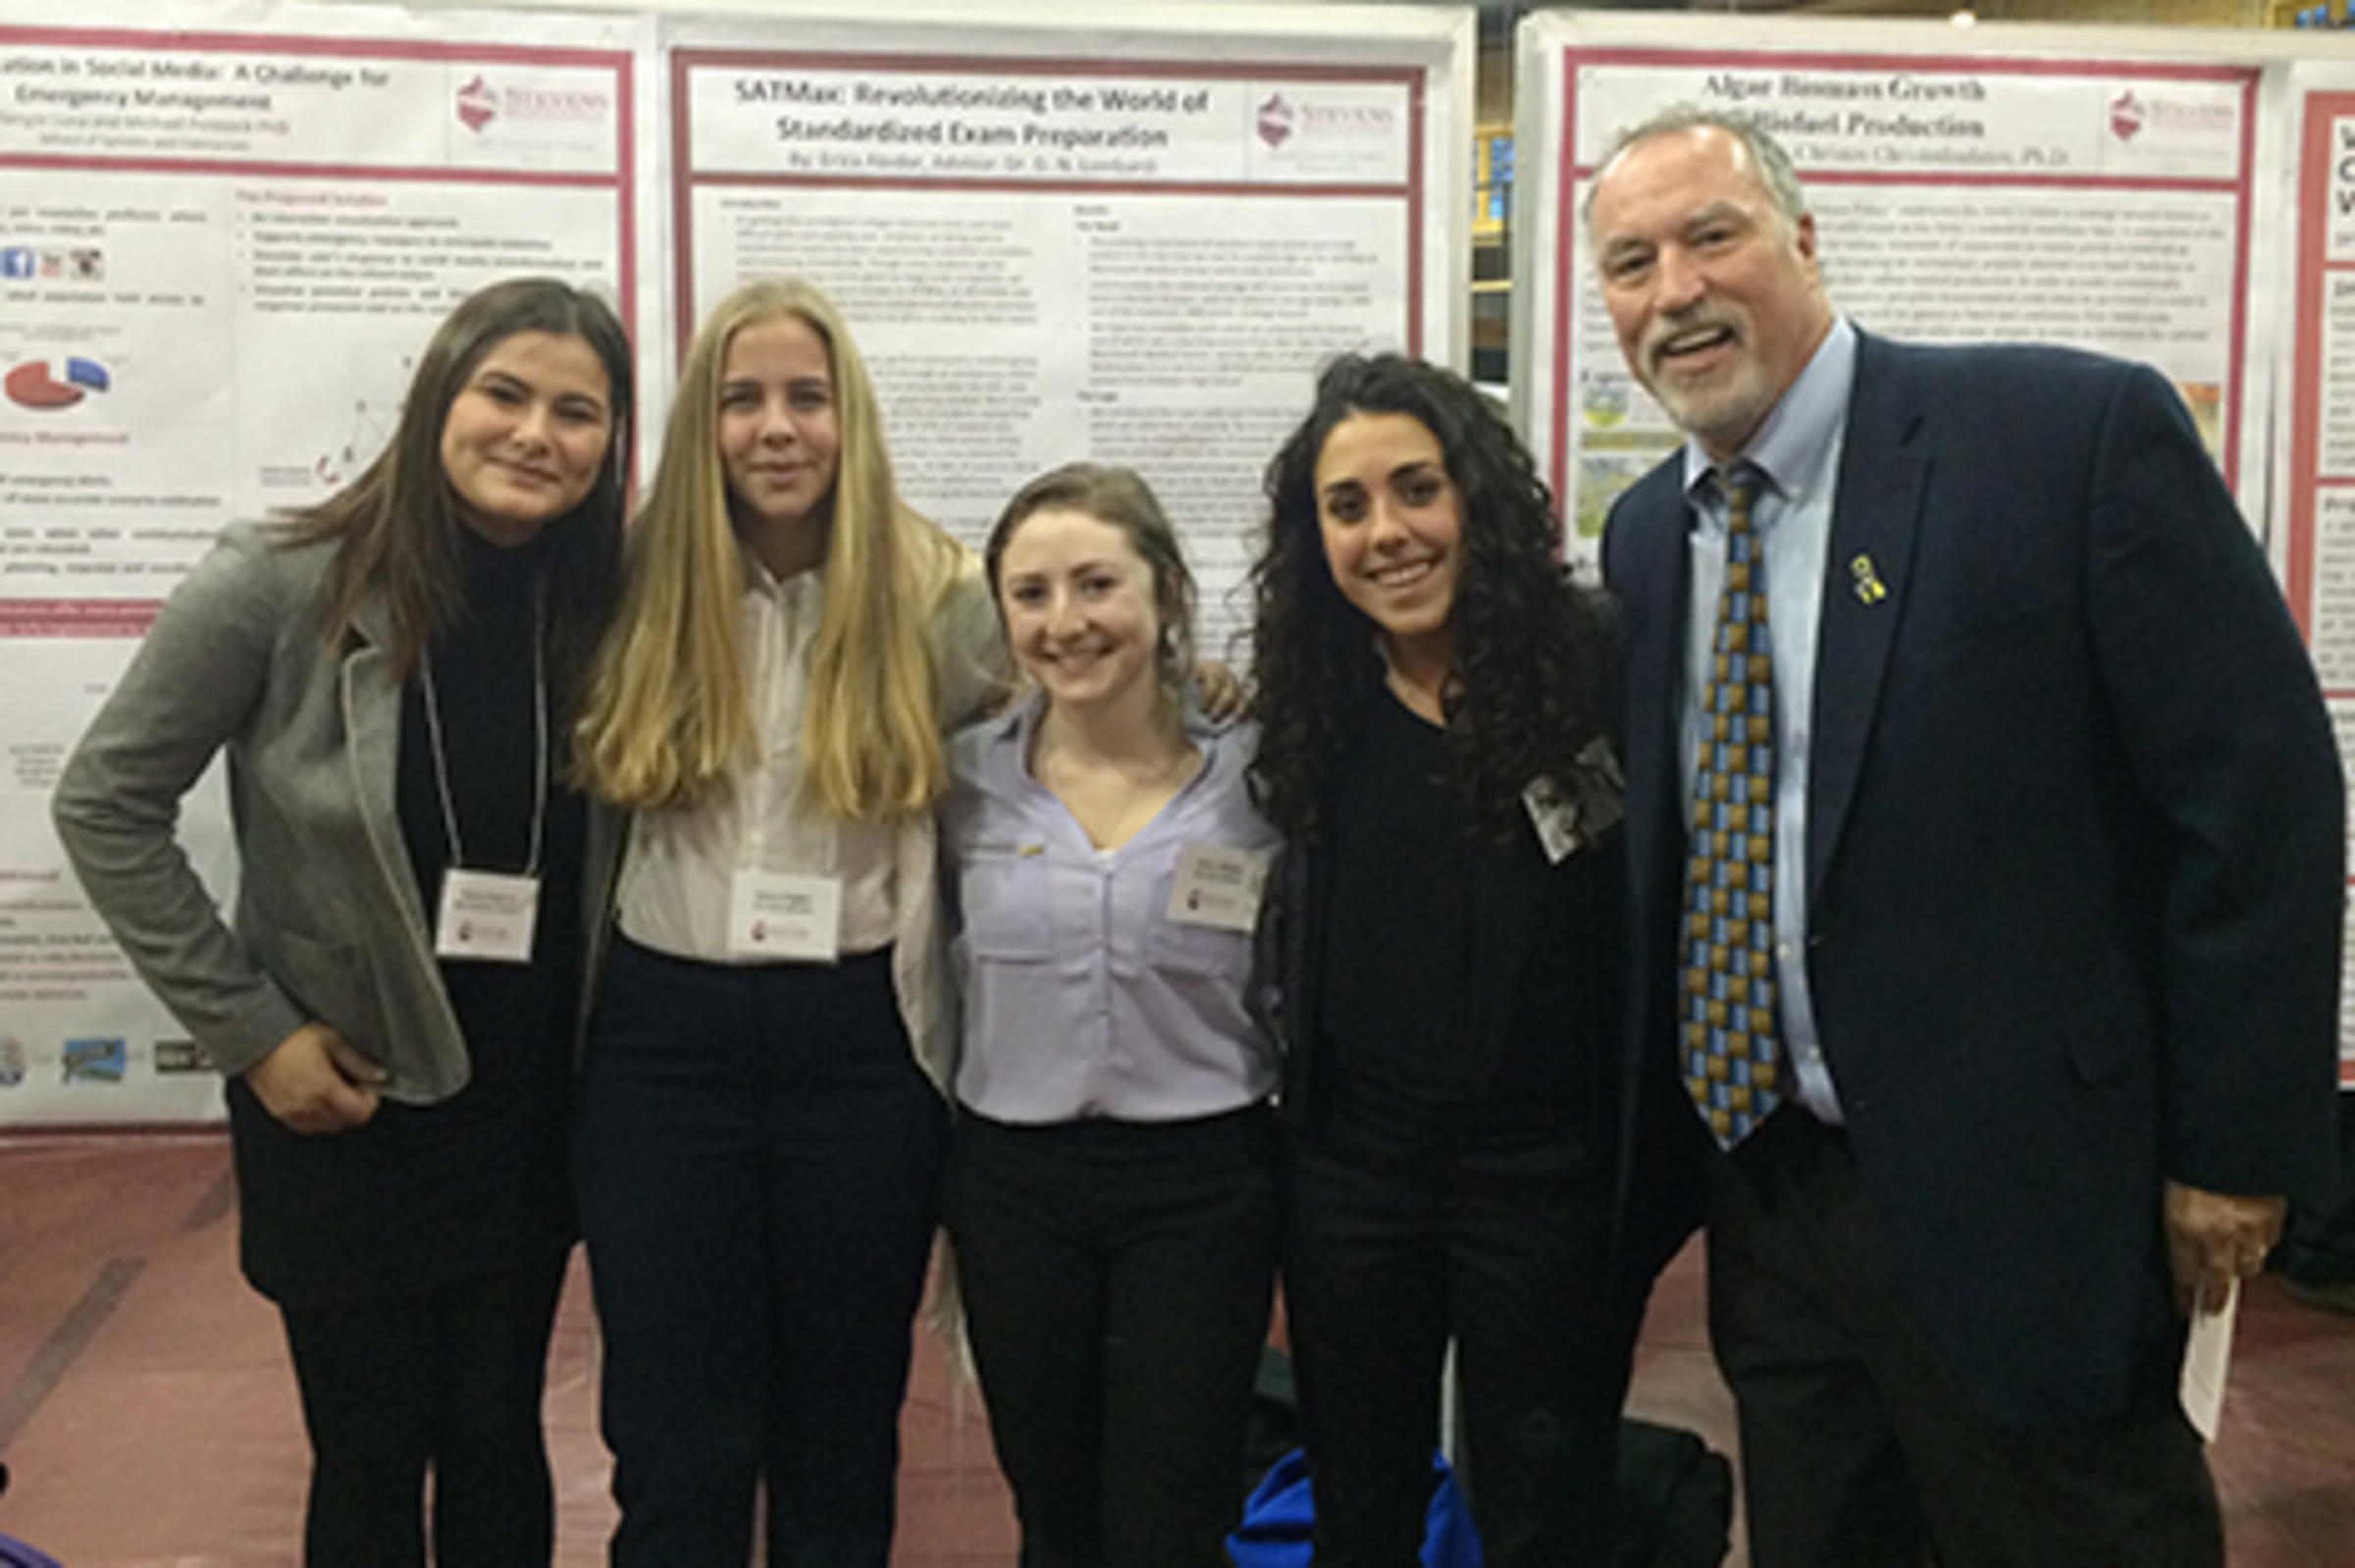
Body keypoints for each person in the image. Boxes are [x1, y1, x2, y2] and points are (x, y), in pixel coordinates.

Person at [1589, 105, 2344, 1566]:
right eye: (1630, 262)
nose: (1672, 289)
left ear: (1804, 242)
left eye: (1711, 237)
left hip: (2033, 1187)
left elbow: (2255, 791)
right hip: (1772, 1191)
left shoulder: (2064, 440)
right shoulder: (1646, 535)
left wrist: (2236, 1145)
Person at [51, 277, 634, 1566]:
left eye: (577, 411)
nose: (537, 432)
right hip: (344, 1102)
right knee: (369, 1450)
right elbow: (105, 803)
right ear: (440, 400)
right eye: (506, 393)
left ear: (610, 445)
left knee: (496, 1434)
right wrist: (253, 1032)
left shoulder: (604, 605)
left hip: (528, 1107)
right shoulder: (278, 580)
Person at [568, 276, 1009, 1566]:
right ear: (701, 421)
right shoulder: (634, 588)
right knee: (675, 1432)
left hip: (859, 1047)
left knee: (839, 1424)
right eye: (741, 398)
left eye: (805, 399)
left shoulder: (940, 596)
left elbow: (1050, 735)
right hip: (661, 1047)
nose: (776, 428)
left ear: (847, 420)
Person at [1247, 353, 1641, 1566]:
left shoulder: (1598, 668)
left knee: (1543, 1502)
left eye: (1417, 488)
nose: (1388, 534)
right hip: (1352, 1174)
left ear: (1476, 493)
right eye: (1348, 506)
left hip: (1544, 1176)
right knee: (1359, 1502)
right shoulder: (1310, 692)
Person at [939, 462, 1282, 1567]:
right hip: (1014, 1187)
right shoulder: (956, 784)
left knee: (1171, 1514)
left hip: (1202, 1185)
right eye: (1031, 594)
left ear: (1166, 591)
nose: (1065, 621)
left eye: (1097, 584)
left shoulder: (1261, 776)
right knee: (1052, 1505)